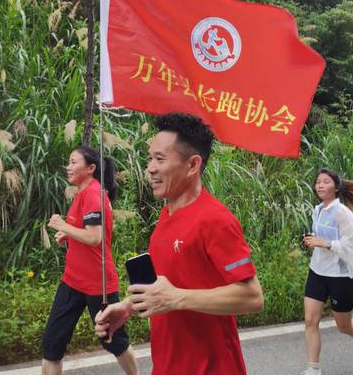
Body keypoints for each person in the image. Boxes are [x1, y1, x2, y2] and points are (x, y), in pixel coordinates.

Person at [94, 112, 264, 375]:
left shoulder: (215, 219)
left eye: (160, 159)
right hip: (167, 365)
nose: (150, 168)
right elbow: (170, 284)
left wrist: (177, 298)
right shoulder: (167, 214)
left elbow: (252, 297)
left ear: (192, 165)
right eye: (150, 158)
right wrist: (127, 307)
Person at [42, 146, 138, 375]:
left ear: (91, 168)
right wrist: (68, 234)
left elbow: (95, 238)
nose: (68, 167)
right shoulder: (83, 194)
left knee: (113, 340)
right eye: (68, 162)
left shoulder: (94, 194)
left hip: (98, 282)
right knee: (52, 344)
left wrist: (62, 225)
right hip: (72, 281)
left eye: (73, 162)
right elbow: (88, 230)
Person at [299, 168, 353, 375]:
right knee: (311, 320)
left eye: (325, 182)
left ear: (336, 187)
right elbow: (322, 239)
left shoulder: (343, 214)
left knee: (343, 325)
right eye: (318, 181)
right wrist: (312, 240)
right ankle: (313, 368)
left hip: (340, 276)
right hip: (317, 272)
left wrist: (326, 243)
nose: (320, 185)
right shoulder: (317, 210)